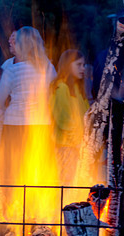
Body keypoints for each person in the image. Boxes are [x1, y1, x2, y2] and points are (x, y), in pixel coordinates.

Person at [0, 26, 57, 186]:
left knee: (13, 172)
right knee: (39, 171)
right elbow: (52, 95)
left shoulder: (12, 69)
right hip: (41, 125)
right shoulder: (48, 68)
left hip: (15, 125)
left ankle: (13, 206)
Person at [49, 49, 89, 183]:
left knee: (78, 183)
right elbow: (63, 119)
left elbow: (87, 117)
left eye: (83, 65)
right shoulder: (60, 87)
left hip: (80, 146)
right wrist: (77, 142)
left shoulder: (78, 89)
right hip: (66, 146)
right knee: (67, 182)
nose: (83, 68)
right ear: (67, 65)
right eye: (78, 65)